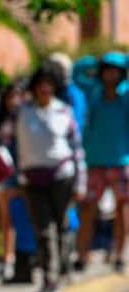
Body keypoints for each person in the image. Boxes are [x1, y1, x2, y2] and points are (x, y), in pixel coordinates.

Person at [15, 67, 86, 292]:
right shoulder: (24, 112)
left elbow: (77, 149)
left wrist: (80, 183)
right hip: (32, 177)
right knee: (44, 230)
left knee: (62, 226)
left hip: (61, 176)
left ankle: (62, 268)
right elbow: (6, 140)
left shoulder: (64, 112)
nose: (44, 89)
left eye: (49, 84)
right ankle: (50, 278)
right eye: (40, 84)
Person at [72, 52, 129, 273]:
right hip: (94, 160)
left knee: (122, 208)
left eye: (115, 69)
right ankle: (82, 255)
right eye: (107, 69)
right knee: (87, 208)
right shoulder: (94, 94)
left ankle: (119, 254)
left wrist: (124, 60)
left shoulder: (125, 97)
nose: (110, 73)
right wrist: (94, 62)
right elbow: (77, 73)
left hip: (120, 161)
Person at [0, 82, 36, 284]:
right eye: (10, 96)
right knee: (7, 218)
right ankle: (8, 258)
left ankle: (29, 261)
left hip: (28, 176)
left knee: (27, 220)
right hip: (7, 175)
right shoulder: (3, 120)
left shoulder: (29, 117)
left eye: (19, 96)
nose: (14, 101)